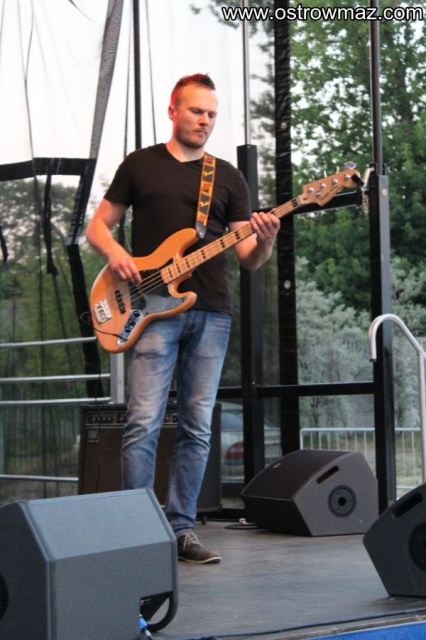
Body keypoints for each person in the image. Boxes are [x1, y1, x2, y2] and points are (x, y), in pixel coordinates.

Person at [85, 73, 280, 564]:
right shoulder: (140, 165)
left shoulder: (227, 177)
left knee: (197, 426)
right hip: (150, 310)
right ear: (173, 110)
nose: (205, 121)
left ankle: (181, 530)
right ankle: (136, 531)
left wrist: (266, 240)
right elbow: (97, 227)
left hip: (211, 312)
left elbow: (248, 258)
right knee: (143, 422)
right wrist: (117, 254)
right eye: (196, 111)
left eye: (212, 114)